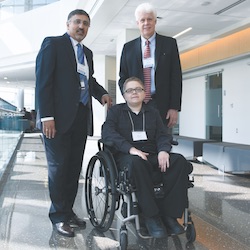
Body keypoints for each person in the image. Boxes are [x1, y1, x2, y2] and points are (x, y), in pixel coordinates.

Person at [35, 9, 112, 237]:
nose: (81, 26)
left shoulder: (87, 53)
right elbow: (43, 82)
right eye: (77, 22)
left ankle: (67, 213)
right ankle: (58, 217)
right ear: (68, 24)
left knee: (72, 170)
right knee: (58, 170)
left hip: (80, 118)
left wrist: (102, 94)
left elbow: (88, 80)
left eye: (85, 24)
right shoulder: (53, 45)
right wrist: (47, 116)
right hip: (56, 121)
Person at [102, 77, 190, 238]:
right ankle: (151, 216)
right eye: (130, 90)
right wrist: (131, 149)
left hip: (153, 154)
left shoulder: (152, 112)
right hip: (127, 156)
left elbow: (163, 135)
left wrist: (164, 150)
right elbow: (109, 134)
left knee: (179, 161)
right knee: (137, 163)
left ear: (144, 93)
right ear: (124, 94)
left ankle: (170, 216)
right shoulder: (116, 112)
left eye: (138, 89)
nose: (134, 92)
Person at [118, 3, 182, 131]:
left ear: (155, 21)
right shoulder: (128, 48)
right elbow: (123, 77)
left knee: (162, 142)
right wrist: (130, 98)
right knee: (138, 141)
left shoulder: (169, 44)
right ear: (137, 23)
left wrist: (174, 107)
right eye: (142, 20)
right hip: (136, 104)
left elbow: (176, 77)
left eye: (149, 19)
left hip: (162, 105)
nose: (146, 23)